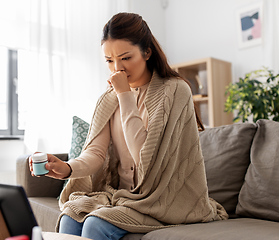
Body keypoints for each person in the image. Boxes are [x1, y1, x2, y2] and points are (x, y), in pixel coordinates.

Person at [29, 12, 228, 240]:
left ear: (147, 52)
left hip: (162, 199)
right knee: (70, 216)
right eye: (109, 60)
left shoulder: (175, 90)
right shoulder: (109, 98)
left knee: (95, 224)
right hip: (123, 196)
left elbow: (145, 157)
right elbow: (95, 152)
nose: (117, 68)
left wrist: (124, 94)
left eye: (125, 58)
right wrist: (67, 167)